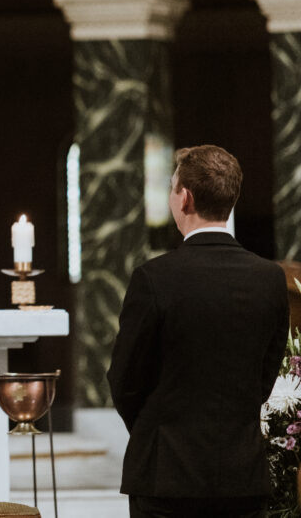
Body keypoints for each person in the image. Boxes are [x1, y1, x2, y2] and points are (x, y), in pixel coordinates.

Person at [107, 145, 288, 518]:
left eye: (173, 188)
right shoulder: (270, 279)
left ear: (184, 197)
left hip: (165, 477)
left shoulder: (154, 278)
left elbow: (124, 379)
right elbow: (265, 375)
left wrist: (154, 429)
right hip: (241, 476)